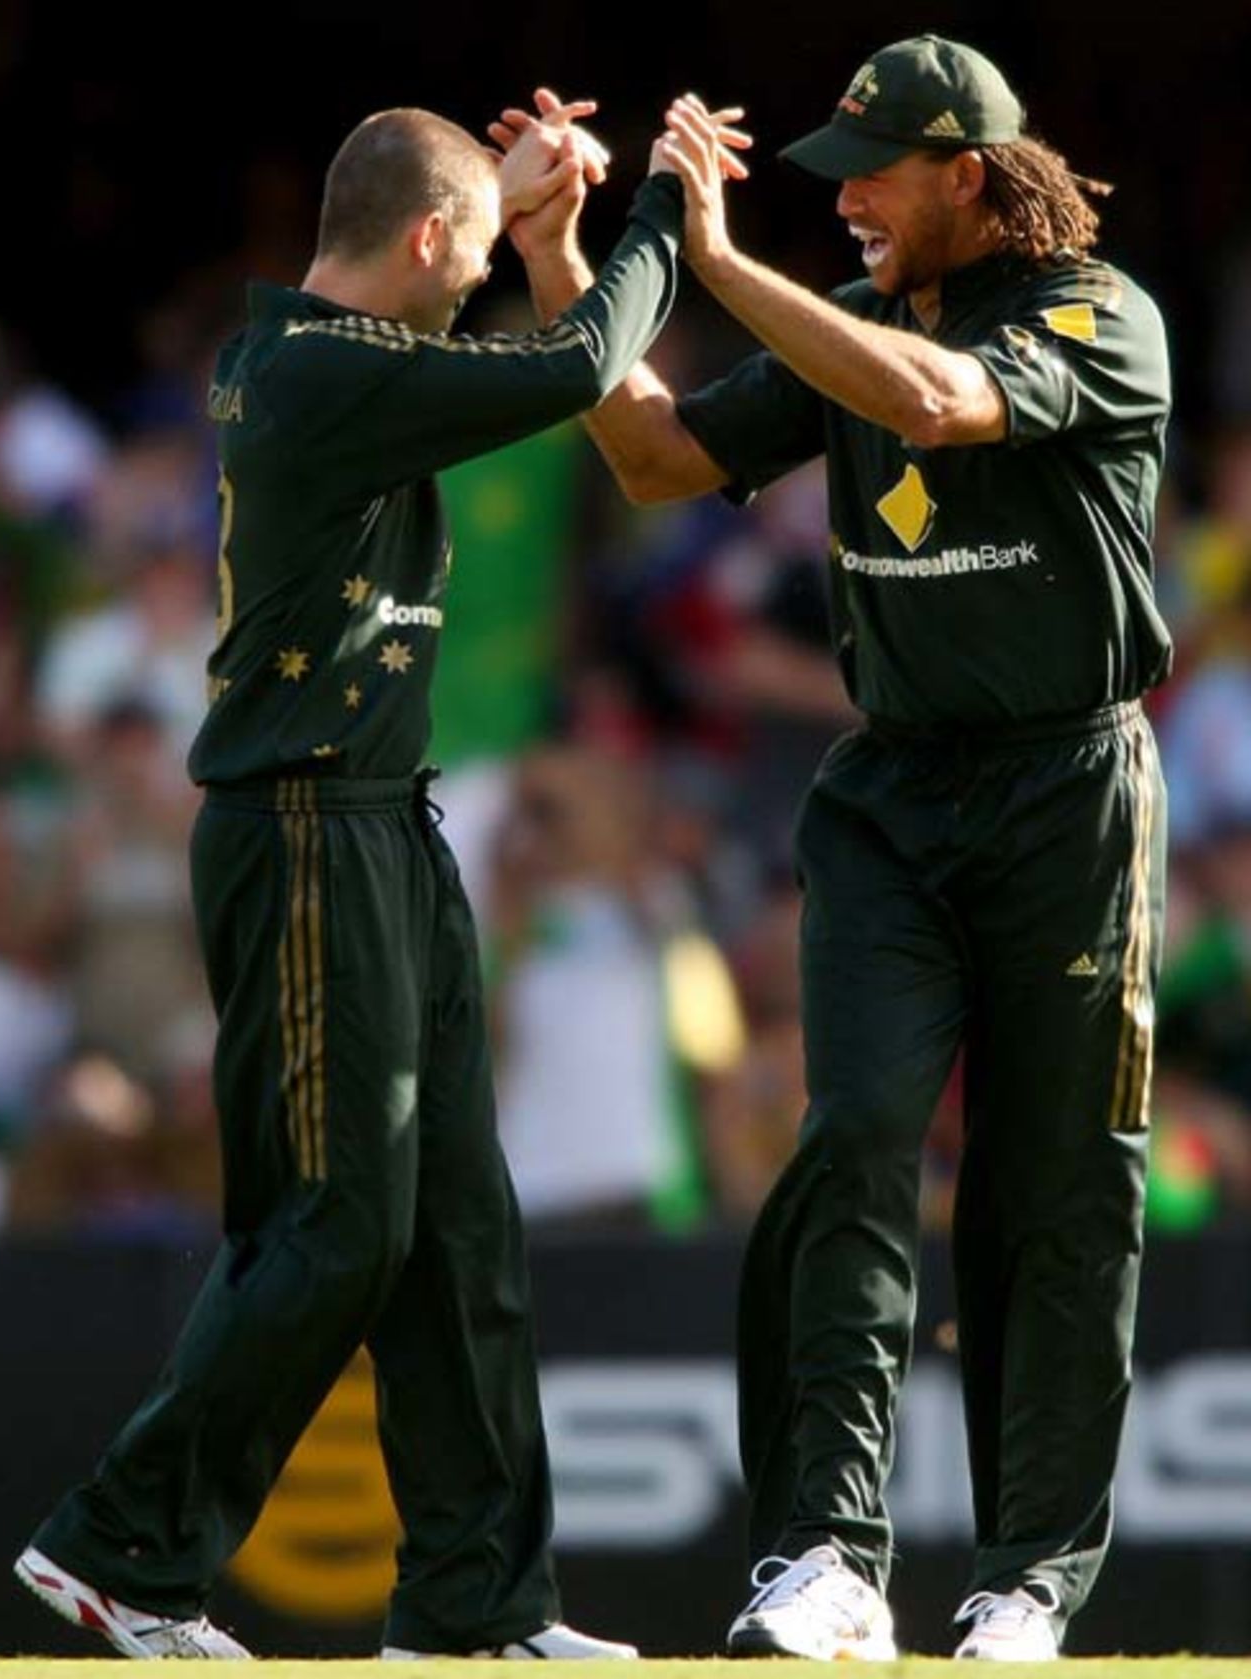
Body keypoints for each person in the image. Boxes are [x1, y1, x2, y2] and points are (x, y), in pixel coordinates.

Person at [497, 36, 1171, 1662]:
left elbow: (942, 410)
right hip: (890, 802)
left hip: (1070, 794)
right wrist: (557, 256)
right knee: (853, 1131)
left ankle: (1026, 1582)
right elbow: (657, 460)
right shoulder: (852, 329)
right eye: (832, 173)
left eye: (873, 170)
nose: (847, 199)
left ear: (973, 176)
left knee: (1052, 1187)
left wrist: (724, 261)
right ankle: (823, 1560)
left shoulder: (1099, 314)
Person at [13, 98, 706, 1662]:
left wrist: (523, 219)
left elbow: (506, 318)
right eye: (464, 253)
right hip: (305, 825)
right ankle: (126, 1549)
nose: (473, 280)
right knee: (339, 1225)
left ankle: (478, 1608)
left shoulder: (337, 361)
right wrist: (661, 214)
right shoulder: (321, 369)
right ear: (421, 241)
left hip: (385, 821)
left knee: (460, 1230)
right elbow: (580, 365)